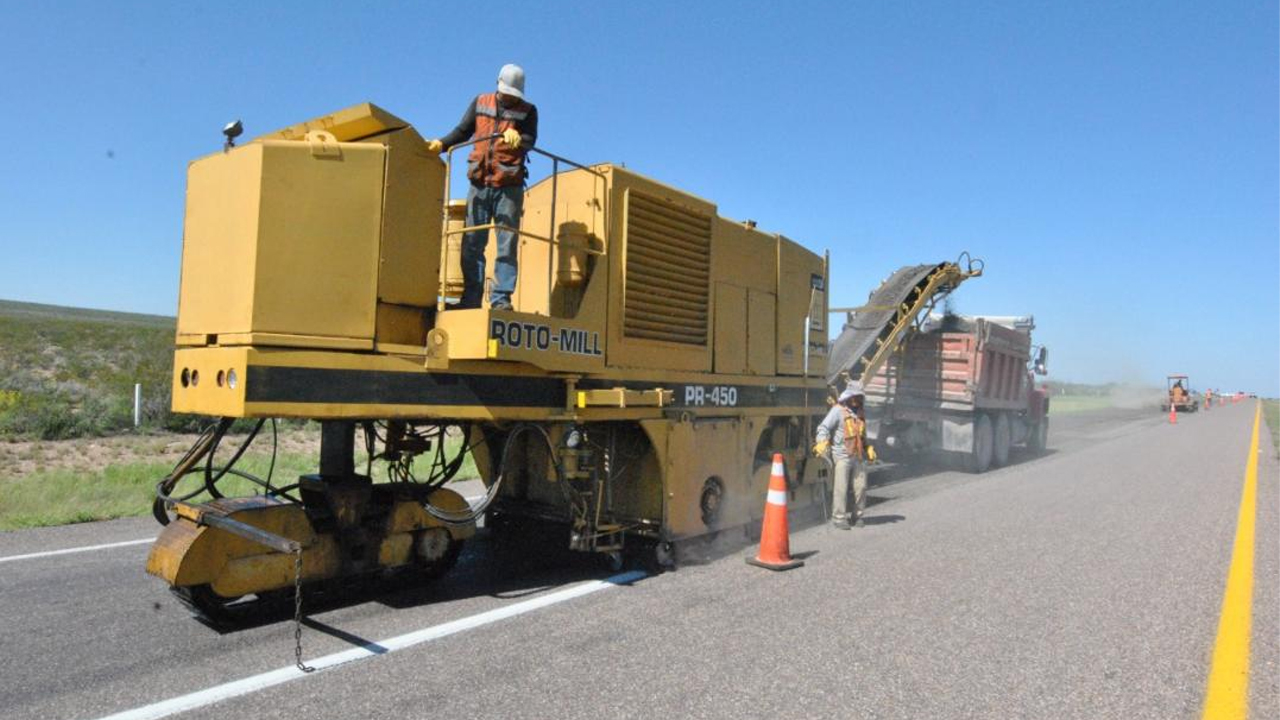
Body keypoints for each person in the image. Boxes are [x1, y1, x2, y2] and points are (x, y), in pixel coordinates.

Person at [427, 64, 539, 311]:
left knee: (506, 245)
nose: (509, 98)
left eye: (513, 95)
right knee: (472, 244)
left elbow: (531, 140)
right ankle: (471, 300)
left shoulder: (529, 111)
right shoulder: (481, 102)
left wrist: (519, 138)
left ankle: (501, 300)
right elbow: (462, 131)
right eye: (507, 93)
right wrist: (442, 144)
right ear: (499, 85)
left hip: (508, 186)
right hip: (479, 183)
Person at [813, 382, 873, 529]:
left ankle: (857, 516)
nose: (855, 400)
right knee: (841, 487)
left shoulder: (860, 412)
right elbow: (823, 428)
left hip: (858, 455)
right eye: (853, 397)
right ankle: (839, 518)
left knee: (861, 487)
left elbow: (862, 435)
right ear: (848, 396)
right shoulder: (837, 411)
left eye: (858, 397)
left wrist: (868, 447)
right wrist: (821, 442)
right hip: (842, 456)